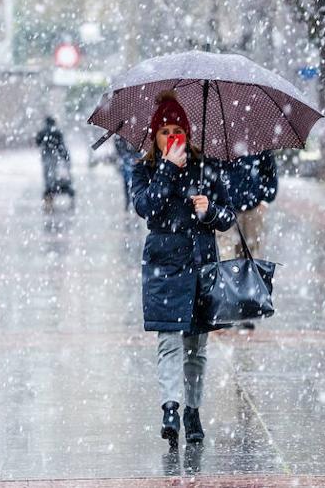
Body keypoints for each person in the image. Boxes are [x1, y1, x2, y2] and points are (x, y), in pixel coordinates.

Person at [130, 91, 235, 447]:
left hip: (201, 264)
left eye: (178, 129)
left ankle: (192, 410)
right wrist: (166, 170)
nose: (172, 136)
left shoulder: (207, 167)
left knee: (196, 346)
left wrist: (209, 211)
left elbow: (227, 216)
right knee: (168, 342)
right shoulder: (143, 170)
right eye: (164, 130)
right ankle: (170, 408)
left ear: (188, 133)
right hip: (164, 266)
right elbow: (147, 208)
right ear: (154, 136)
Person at [220, 151, 278, 329]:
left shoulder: (258, 142)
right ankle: (228, 306)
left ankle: (246, 308)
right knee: (226, 256)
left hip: (252, 207)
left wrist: (265, 199)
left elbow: (270, 172)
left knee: (249, 258)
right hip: (225, 207)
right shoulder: (219, 140)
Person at [35, 116, 75, 203]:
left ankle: (49, 191)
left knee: (48, 173)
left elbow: (37, 142)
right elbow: (61, 145)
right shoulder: (57, 132)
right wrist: (65, 156)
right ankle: (58, 187)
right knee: (56, 172)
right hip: (55, 154)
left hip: (46, 154)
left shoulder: (42, 132)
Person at [114, 135, 139, 211]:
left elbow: (138, 150)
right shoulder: (119, 137)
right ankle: (128, 202)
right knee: (127, 183)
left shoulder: (137, 136)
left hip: (133, 163)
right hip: (125, 163)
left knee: (134, 183)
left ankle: (133, 202)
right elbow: (119, 149)